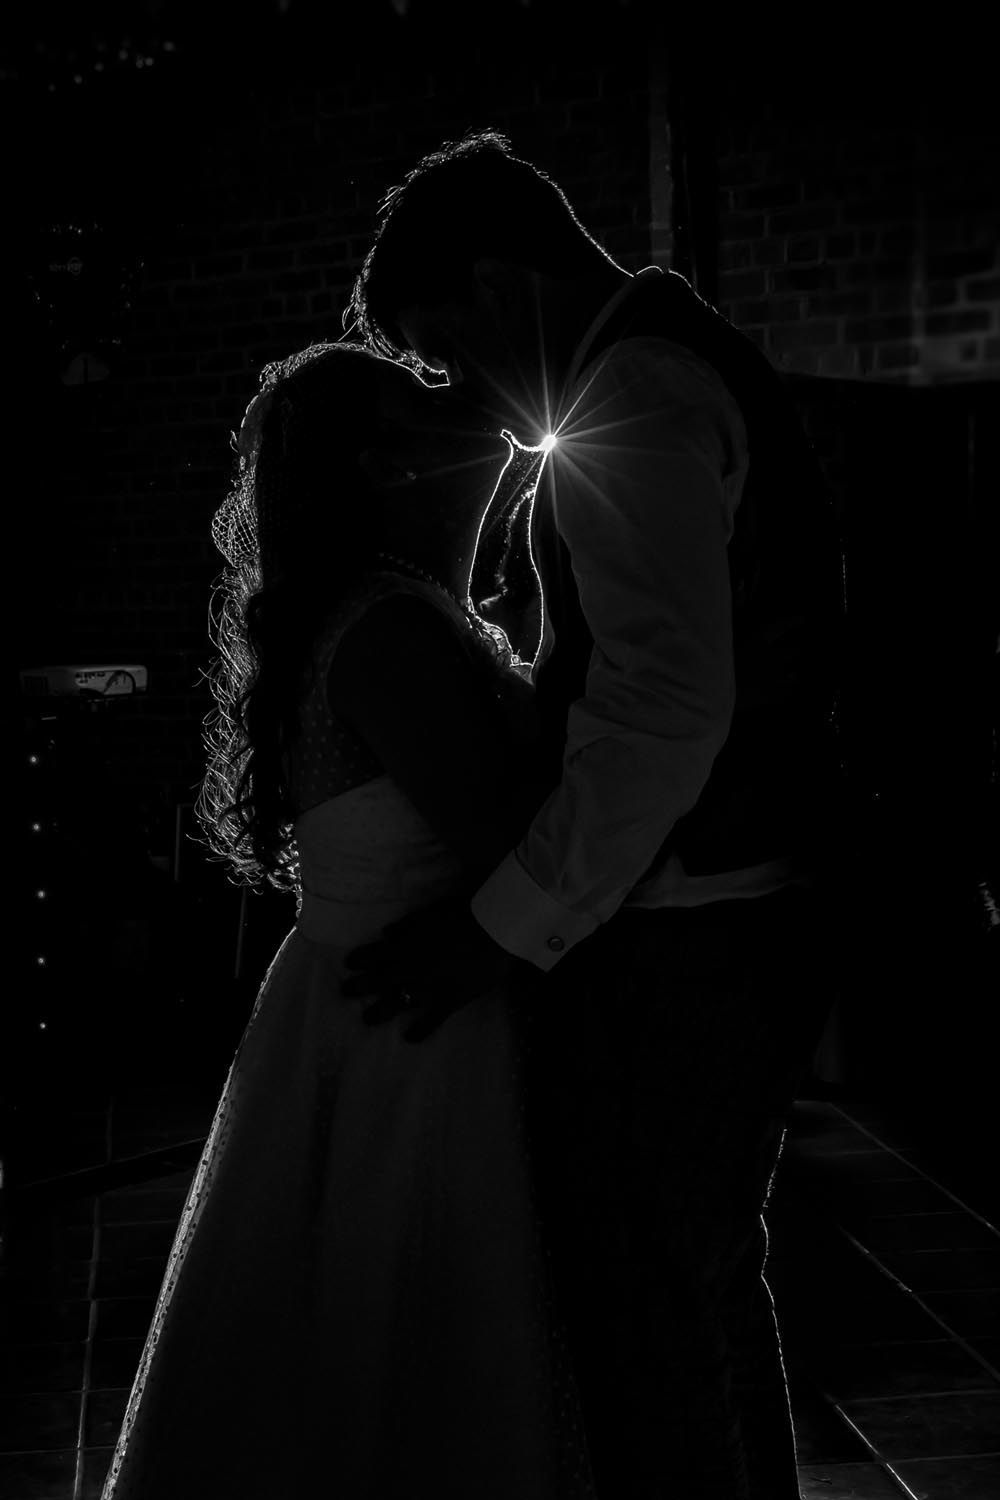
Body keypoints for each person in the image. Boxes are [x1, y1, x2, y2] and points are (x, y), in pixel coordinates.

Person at [344, 130, 846, 1499]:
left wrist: (499, 930)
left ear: (503, 284)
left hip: (689, 930)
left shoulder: (634, 391)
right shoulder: (658, 368)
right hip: (729, 911)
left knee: (646, 1321)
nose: (472, 399)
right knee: (700, 1298)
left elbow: (662, 713)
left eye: (450, 351)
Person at [101, 341, 599, 1500]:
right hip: (422, 1034)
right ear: (387, 465)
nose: (463, 397)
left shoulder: (402, 611)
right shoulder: (394, 632)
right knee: (416, 1341)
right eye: (425, 400)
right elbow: (511, 838)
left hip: (364, 1004)